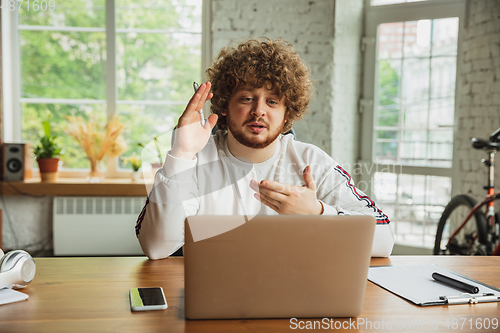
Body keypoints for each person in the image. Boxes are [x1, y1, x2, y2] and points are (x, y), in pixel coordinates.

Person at [136, 38, 394, 260]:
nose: (259, 110)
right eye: (247, 98)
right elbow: (157, 247)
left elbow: (385, 238)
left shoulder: (311, 160)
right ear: (225, 105)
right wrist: (181, 154)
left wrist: (318, 213)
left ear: (286, 115)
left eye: (272, 102)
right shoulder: (194, 160)